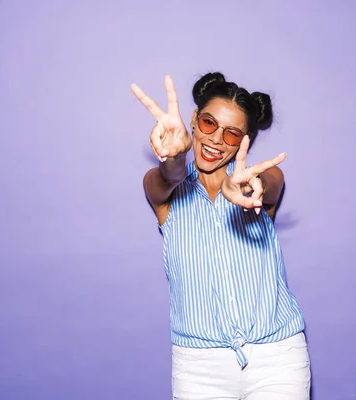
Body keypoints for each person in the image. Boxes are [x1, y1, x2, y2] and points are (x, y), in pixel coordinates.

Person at [131, 72, 311, 399]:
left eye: (231, 135)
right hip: (199, 367)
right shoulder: (165, 193)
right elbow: (165, 178)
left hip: (277, 358)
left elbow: (271, 180)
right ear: (194, 121)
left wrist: (248, 185)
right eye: (209, 124)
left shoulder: (256, 183)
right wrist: (175, 157)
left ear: (245, 143)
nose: (215, 140)